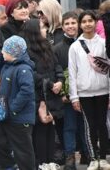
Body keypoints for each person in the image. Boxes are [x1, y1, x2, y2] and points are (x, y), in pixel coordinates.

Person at [68, 10, 110, 169]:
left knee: (102, 124)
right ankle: (93, 158)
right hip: (84, 93)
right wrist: (74, 96)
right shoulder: (75, 47)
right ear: (80, 24)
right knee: (89, 125)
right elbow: (72, 72)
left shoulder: (103, 43)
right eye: (84, 21)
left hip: (103, 91)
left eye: (90, 21)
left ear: (95, 22)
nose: (87, 24)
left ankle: (103, 157)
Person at [0, 36, 37, 170]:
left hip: (19, 117)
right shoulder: (6, 66)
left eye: (5, 50)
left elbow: (27, 91)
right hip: (4, 115)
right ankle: (9, 165)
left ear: (13, 53)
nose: (1, 53)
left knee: (23, 150)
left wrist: (14, 108)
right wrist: (1, 52)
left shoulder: (23, 69)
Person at [22, 18, 64, 168]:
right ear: (35, 31)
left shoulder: (47, 46)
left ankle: (50, 161)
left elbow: (56, 65)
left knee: (50, 128)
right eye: (42, 27)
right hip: (38, 96)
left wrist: (60, 80)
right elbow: (31, 74)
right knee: (40, 130)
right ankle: (41, 163)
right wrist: (50, 84)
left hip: (52, 94)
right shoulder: (26, 51)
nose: (45, 29)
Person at [55, 11, 88, 170]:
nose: (70, 26)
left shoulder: (85, 44)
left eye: (73, 23)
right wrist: (62, 93)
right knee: (69, 126)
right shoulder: (58, 48)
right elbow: (56, 72)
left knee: (85, 125)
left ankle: (87, 153)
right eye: (67, 24)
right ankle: (70, 157)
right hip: (67, 96)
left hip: (86, 93)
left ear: (79, 25)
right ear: (62, 27)